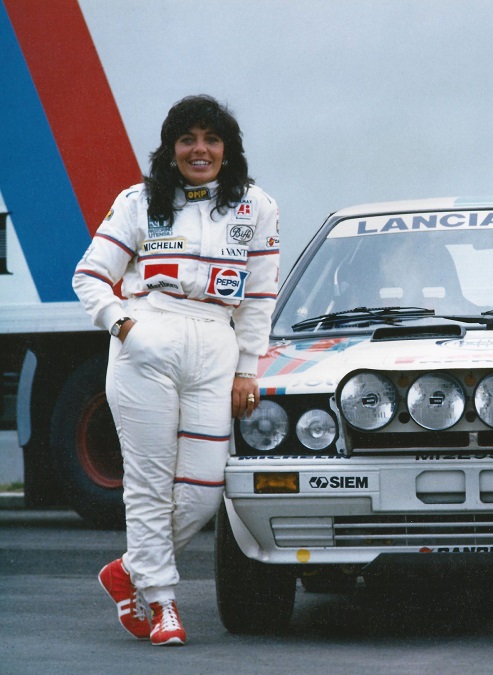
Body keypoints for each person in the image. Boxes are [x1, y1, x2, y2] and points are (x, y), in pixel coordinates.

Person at [73, 95, 280, 646]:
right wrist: (125, 327)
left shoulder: (257, 206)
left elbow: (260, 296)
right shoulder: (138, 201)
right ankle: (163, 602)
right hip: (148, 339)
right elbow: (89, 276)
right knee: (148, 484)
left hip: (216, 343)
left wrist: (247, 369)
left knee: (203, 490)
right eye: (187, 139)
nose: (199, 150)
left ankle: (128, 570)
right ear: (170, 149)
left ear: (228, 149)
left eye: (211, 139)